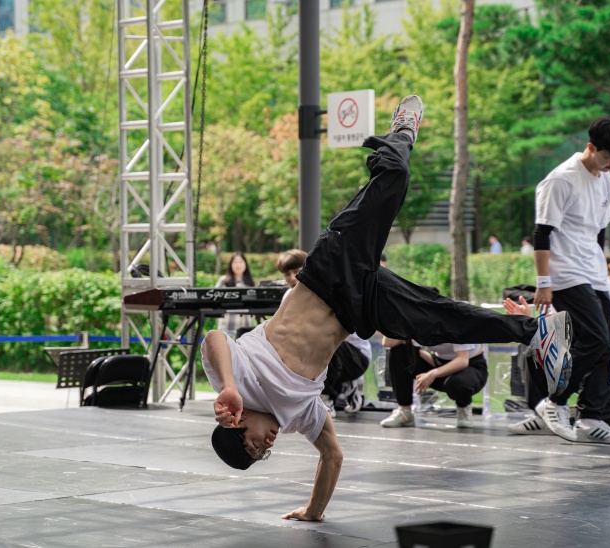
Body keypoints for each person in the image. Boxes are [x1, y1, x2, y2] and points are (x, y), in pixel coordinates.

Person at [200, 95, 572, 522]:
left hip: (328, 272)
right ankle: (537, 331)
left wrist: (227, 385)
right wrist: (313, 512)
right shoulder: (299, 416)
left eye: (253, 443)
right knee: (435, 320)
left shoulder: (237, 384)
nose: (266, 445)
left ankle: (402, 132)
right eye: (262, 453)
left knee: (392, 175)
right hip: (360, 308)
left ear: (237, 421)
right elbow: (333, 457)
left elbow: (213, 339)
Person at [528, 115, 610, 444]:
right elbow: (541, 233)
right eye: (608, 157)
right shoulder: (561, 180)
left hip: (592, 272)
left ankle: (590, 418)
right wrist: (543, 282)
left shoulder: (606, 179)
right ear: (591, 147)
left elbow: (599, 231)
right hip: (564, 274)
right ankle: (554, 402)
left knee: (608, 345)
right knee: (595, 341)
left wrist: (601, 271)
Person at [504, 279, 610, 434]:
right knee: (536, 347)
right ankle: (541, 413)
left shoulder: (602, 285)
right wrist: (528, 319)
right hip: (583, 367)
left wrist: (584, 326)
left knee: (585, 425)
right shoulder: (561, 288)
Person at [276, 248, 371, 417]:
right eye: (287, 274)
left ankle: (326, 399)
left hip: (355, 356)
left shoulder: (328, 291)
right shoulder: (288, 297)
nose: (292, 278)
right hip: (321, 353)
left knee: (318, 337)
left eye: (296, 272)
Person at [380, 329, 488, 429]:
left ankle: (463, 406)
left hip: (471, 366)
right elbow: (387, 343)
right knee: (399, 351)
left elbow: (462, 361)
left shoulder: (456, 320)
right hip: (439, 363)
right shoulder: (421, 319)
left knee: (458, 384)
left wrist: (433, 374)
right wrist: (401, 322)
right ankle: (405, 411)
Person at [215, 252, 257, 338]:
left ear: (245, 264)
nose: (238, 265)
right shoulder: (224, 281)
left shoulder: (249, 282)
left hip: (245, 325)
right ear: (231, 264)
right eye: (235, 262)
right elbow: (214, 297)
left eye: (241, 262)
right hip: (227, 324)